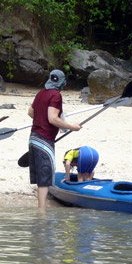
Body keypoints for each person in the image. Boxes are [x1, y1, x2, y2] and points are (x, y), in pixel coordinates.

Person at [28, 69, 82, 208]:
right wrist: (71, 127)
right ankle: (42, 212)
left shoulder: (41, 93)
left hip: (33, 138)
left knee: (41, 177)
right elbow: (53, 118)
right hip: (44, 140)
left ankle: (41, 210)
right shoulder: (56, 95)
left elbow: (30, 112)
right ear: (62, 83)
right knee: (45, 177)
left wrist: (41, 119)